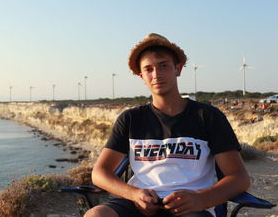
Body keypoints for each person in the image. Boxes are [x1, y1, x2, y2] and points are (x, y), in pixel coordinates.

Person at [84, 33, 250, 217]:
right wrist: (134, 194)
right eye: (148, 69)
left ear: (177, 68)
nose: (156, 74)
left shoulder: (208, 116)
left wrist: (201, 199)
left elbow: (239, 178)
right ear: (141, 76)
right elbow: (99, 173)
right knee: (96, 214)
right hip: (138, 203)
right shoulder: (131, 119)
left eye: (163, 65)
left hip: (190, 207)